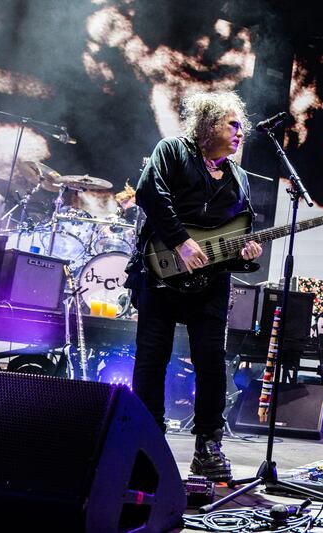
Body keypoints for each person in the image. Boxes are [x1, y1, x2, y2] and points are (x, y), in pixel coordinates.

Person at [124, 90, 262, 481]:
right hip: (161, 269)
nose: (240, 133)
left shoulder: (240, 177)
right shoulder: (172, 150)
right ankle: (146, 439)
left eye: (241, 126)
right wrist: (181, 241)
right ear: (207, 124)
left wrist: (248, 253)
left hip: (211, 283)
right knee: (152, 355)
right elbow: (150, 192)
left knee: (212, 362)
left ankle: (208, 445)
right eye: (232, 124)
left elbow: (242, 231)